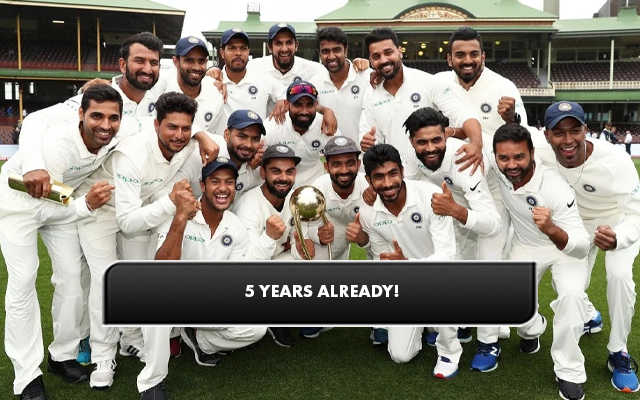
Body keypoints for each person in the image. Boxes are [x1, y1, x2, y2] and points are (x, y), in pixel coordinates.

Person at [75, 92, 205, 399]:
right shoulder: (132, 153)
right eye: (172, 127)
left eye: (186, 129)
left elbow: (208, 137)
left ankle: (131, 338)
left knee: (142, 277)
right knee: (106, 279)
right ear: (156, 124)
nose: (179, 135)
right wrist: (172, 202)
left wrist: (203, 137)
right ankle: (103, 357)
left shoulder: (188, 144)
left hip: (144, 208)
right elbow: (127, 223)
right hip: (105, 210)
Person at [0, 85, 127, 400]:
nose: (105, 125)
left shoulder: (117, 135)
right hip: (19, 206)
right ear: (81, 114)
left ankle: (62, 355)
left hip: (61, 202)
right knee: (24, 279)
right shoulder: (59, 142)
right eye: (96, 116)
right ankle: (27, 377)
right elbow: (41, 201)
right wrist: (85, 205)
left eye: (113, 118)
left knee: (72, 277)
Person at [534, 101, 640, 393]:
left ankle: (618, 352)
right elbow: (506, 134)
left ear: (585, 130)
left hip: (615, 221)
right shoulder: (540, 149)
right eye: (559, 133)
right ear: (546, 135)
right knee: (567, 283)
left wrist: (620, 237)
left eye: (575, 131)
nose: (568, 140)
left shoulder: (615, 160)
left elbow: (636, 213)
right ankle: (590, 315)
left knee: (619, 276)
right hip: (575, 223)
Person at [492, 123, 590, 400]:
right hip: (525, 246)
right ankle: (534, 328)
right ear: (495, 156)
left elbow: (582, 246)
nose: (511, 165)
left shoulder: (555, 188)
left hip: (563, 249)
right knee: (510, 304)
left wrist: (551, 229)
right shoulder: (498, 165)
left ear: (532, 154)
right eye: (504, 158)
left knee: (571, 297)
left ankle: (569, 372)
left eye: (519, 157)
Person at [402, 107, 503, 371]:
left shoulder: (463, 160)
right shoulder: (412, 158)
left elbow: (492, 224)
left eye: (437, 140)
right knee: (453, 260)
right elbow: (404, 193)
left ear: (446, 135)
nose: (430, 148)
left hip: (492, 198)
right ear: (412, 142)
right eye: (422, 142)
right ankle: (461, 321)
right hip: (454, 198)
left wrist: (456, 211)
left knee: (488, 268)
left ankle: (489, 342)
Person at [358, 144, 459, 379]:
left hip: (442, 275)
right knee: (400, 355)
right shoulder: (368, 213)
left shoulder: (430, 196)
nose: (387, 183)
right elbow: (382, 259)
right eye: (378, 177)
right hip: (406, 280)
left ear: (402, 171)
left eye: (393, 173)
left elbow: (447, 257)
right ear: (369, 180)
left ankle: (449, 352)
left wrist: (408, 264)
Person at [154, 157, 266, 367]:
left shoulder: (235, 226)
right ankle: (176, 332)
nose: (223, 188)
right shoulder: (178, 215)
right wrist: (180, 218)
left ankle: (200, 339)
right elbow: (161, 269)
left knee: (258, 327)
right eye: (215, 181)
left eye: (229, 182)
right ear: (203, 186)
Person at [359, 27, 483, 173]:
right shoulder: (371, 94)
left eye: (388, 52)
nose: (384, 60)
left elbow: (465, 115)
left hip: (433, 176)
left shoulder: (427, 82)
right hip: (398, 177)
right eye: (376, 56)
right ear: (371, 61)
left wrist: (476, 144)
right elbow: (370, 138)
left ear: (400, 51)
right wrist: (365, 142)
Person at [233, 144, 307, 347]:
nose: (283, 178)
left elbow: (297, 243)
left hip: (274, 263)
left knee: (312, 259)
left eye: (289, 171)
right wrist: (270, 237)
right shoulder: (249, 205)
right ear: (263, 173)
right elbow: (247, 267)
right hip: (244, 275)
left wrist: (297, 246)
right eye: (276, 171)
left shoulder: (295, 199)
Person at [264, 80, 340, 187]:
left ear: (316, 105)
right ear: (287, 104)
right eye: (298, 105)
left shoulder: (325, 123)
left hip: (316, 185)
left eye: (309, 105)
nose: (304, 111)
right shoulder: (273, 125)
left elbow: (341, 157)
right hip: (281, 185)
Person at [309, 27, 371, 146]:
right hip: (331, 159)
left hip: (364, 157)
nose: (331, 56)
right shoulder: (315, 82)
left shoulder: (366, 77)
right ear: (319, 53)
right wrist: (325, 110)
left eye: (336, 50)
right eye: (326, 51)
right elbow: (308, 107)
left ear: (346, 50)